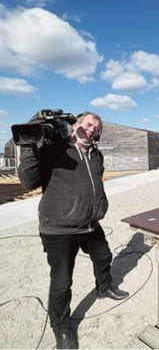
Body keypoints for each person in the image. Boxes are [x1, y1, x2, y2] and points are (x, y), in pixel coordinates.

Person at [17, 112, 129, 349]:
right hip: (58, 229)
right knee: (61, 282)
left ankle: (104, 287)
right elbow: (28, 182)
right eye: (88, 124)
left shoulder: (96, 155)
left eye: (96, 128)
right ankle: (62, 330)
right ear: (76, 125)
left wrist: (99, 207)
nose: (91, 130)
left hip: (89, 224)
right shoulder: (56, 150)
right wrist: (30, 146)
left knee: (103, 256)